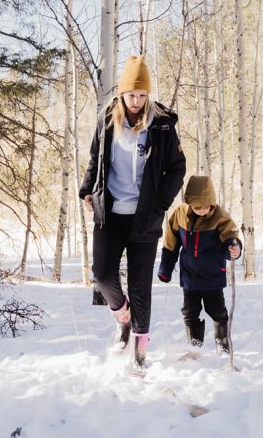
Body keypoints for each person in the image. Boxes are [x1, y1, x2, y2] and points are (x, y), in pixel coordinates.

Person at [79, 55, 186, 370]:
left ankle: (140, 350)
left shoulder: (162, 125)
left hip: (144, 217)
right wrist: (87, 191)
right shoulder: (107, 120)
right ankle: (122, 318)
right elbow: (94, 159)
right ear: (122, 93)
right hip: (110, 214)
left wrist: (159, 202)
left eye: (142, 94)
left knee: (141, 286)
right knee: (102, 274)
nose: (137, 101)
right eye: (131, 94)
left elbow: (177, 169)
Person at [157, 175, 242, 354]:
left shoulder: (220, 217)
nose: (202, 210)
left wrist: (234, 249)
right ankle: (194, 346)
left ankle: (222, 342)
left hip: (212, 275)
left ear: (212, 202)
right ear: (189, 202)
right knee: (189, 312)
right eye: (197, 207)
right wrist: (165, 268)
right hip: (189, 276)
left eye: (206, 206)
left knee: (217, 310)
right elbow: (171, 242)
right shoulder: (180, 214)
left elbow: (231, 238)